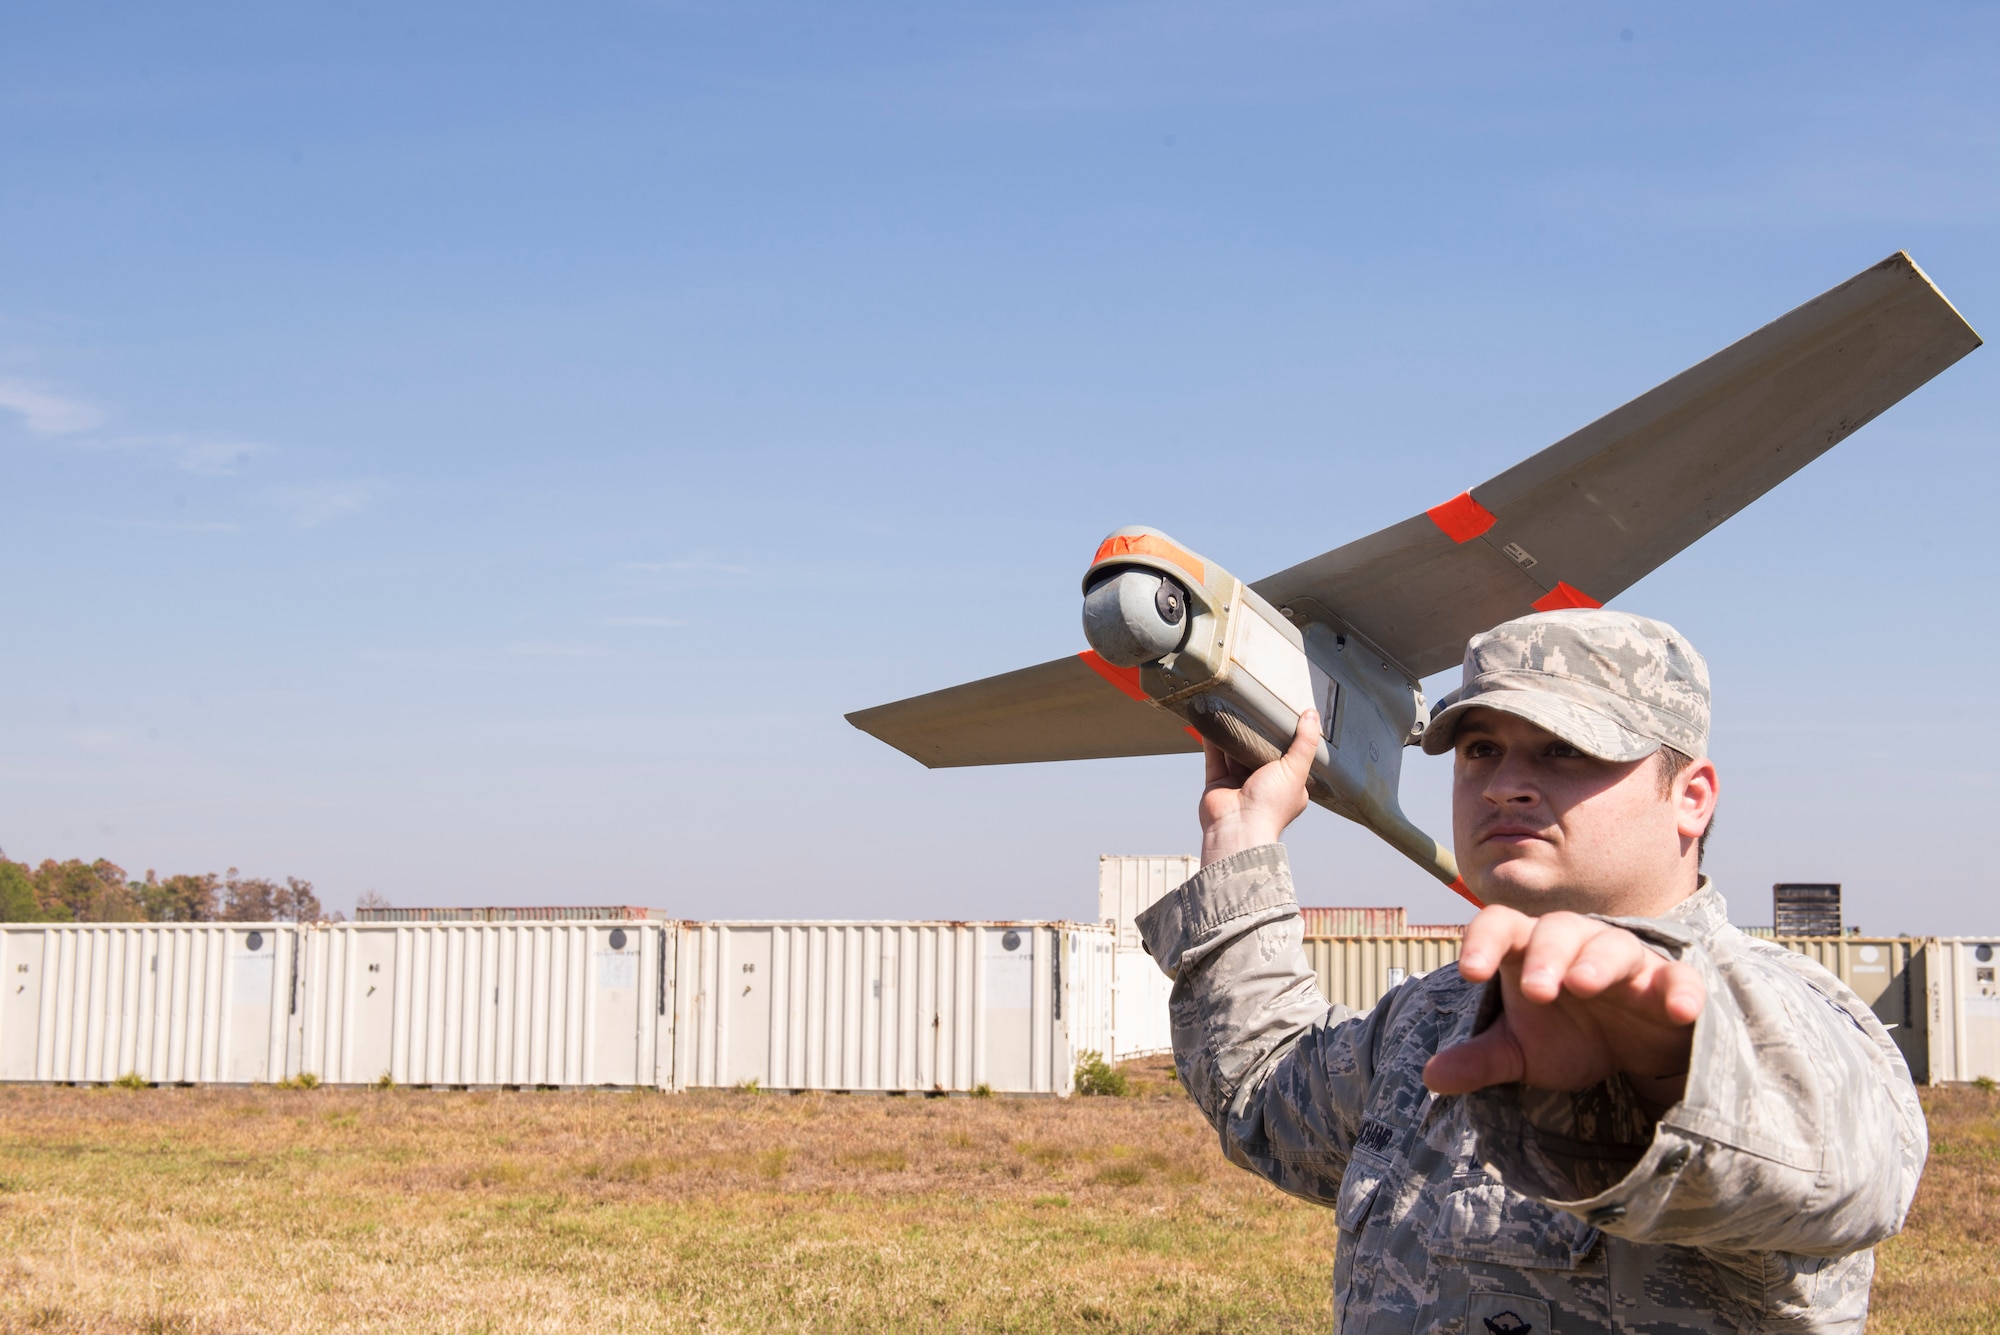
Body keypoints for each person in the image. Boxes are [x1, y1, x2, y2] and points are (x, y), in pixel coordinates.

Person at [1135, 609, 1925, 1334]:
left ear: (1691, 797)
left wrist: (1662, 1070)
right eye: (1481, 748)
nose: (1505, 783)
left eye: (1566, 749)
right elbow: (1269, 1097)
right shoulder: (1433, 1018)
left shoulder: (1777, 1009)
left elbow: (1852, 1162)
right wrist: (1240, 838)